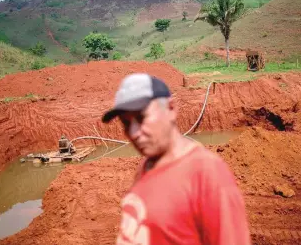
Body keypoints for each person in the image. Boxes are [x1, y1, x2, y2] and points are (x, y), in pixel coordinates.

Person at [102, 73, 251, 245]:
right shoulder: (146, 165)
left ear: (171, 109)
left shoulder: (207, 173)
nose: (134, 133)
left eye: (142, 118)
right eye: (126, 123)